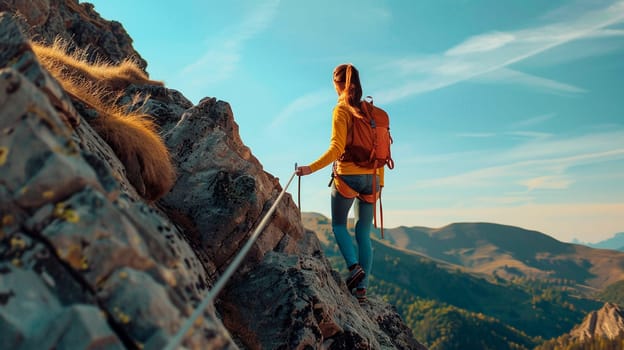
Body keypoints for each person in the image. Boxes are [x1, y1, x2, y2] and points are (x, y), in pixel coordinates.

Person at [296, 63, 383, 304]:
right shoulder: (372, 113)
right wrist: (378, 183)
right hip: (374, 178)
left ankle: (354, 268)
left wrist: (309, 168)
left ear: (338, 85)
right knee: (364, 233)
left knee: (338, 226)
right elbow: (380, 151)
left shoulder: (341, 110)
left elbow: (337, 148)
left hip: (348, 176)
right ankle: (361, 290)